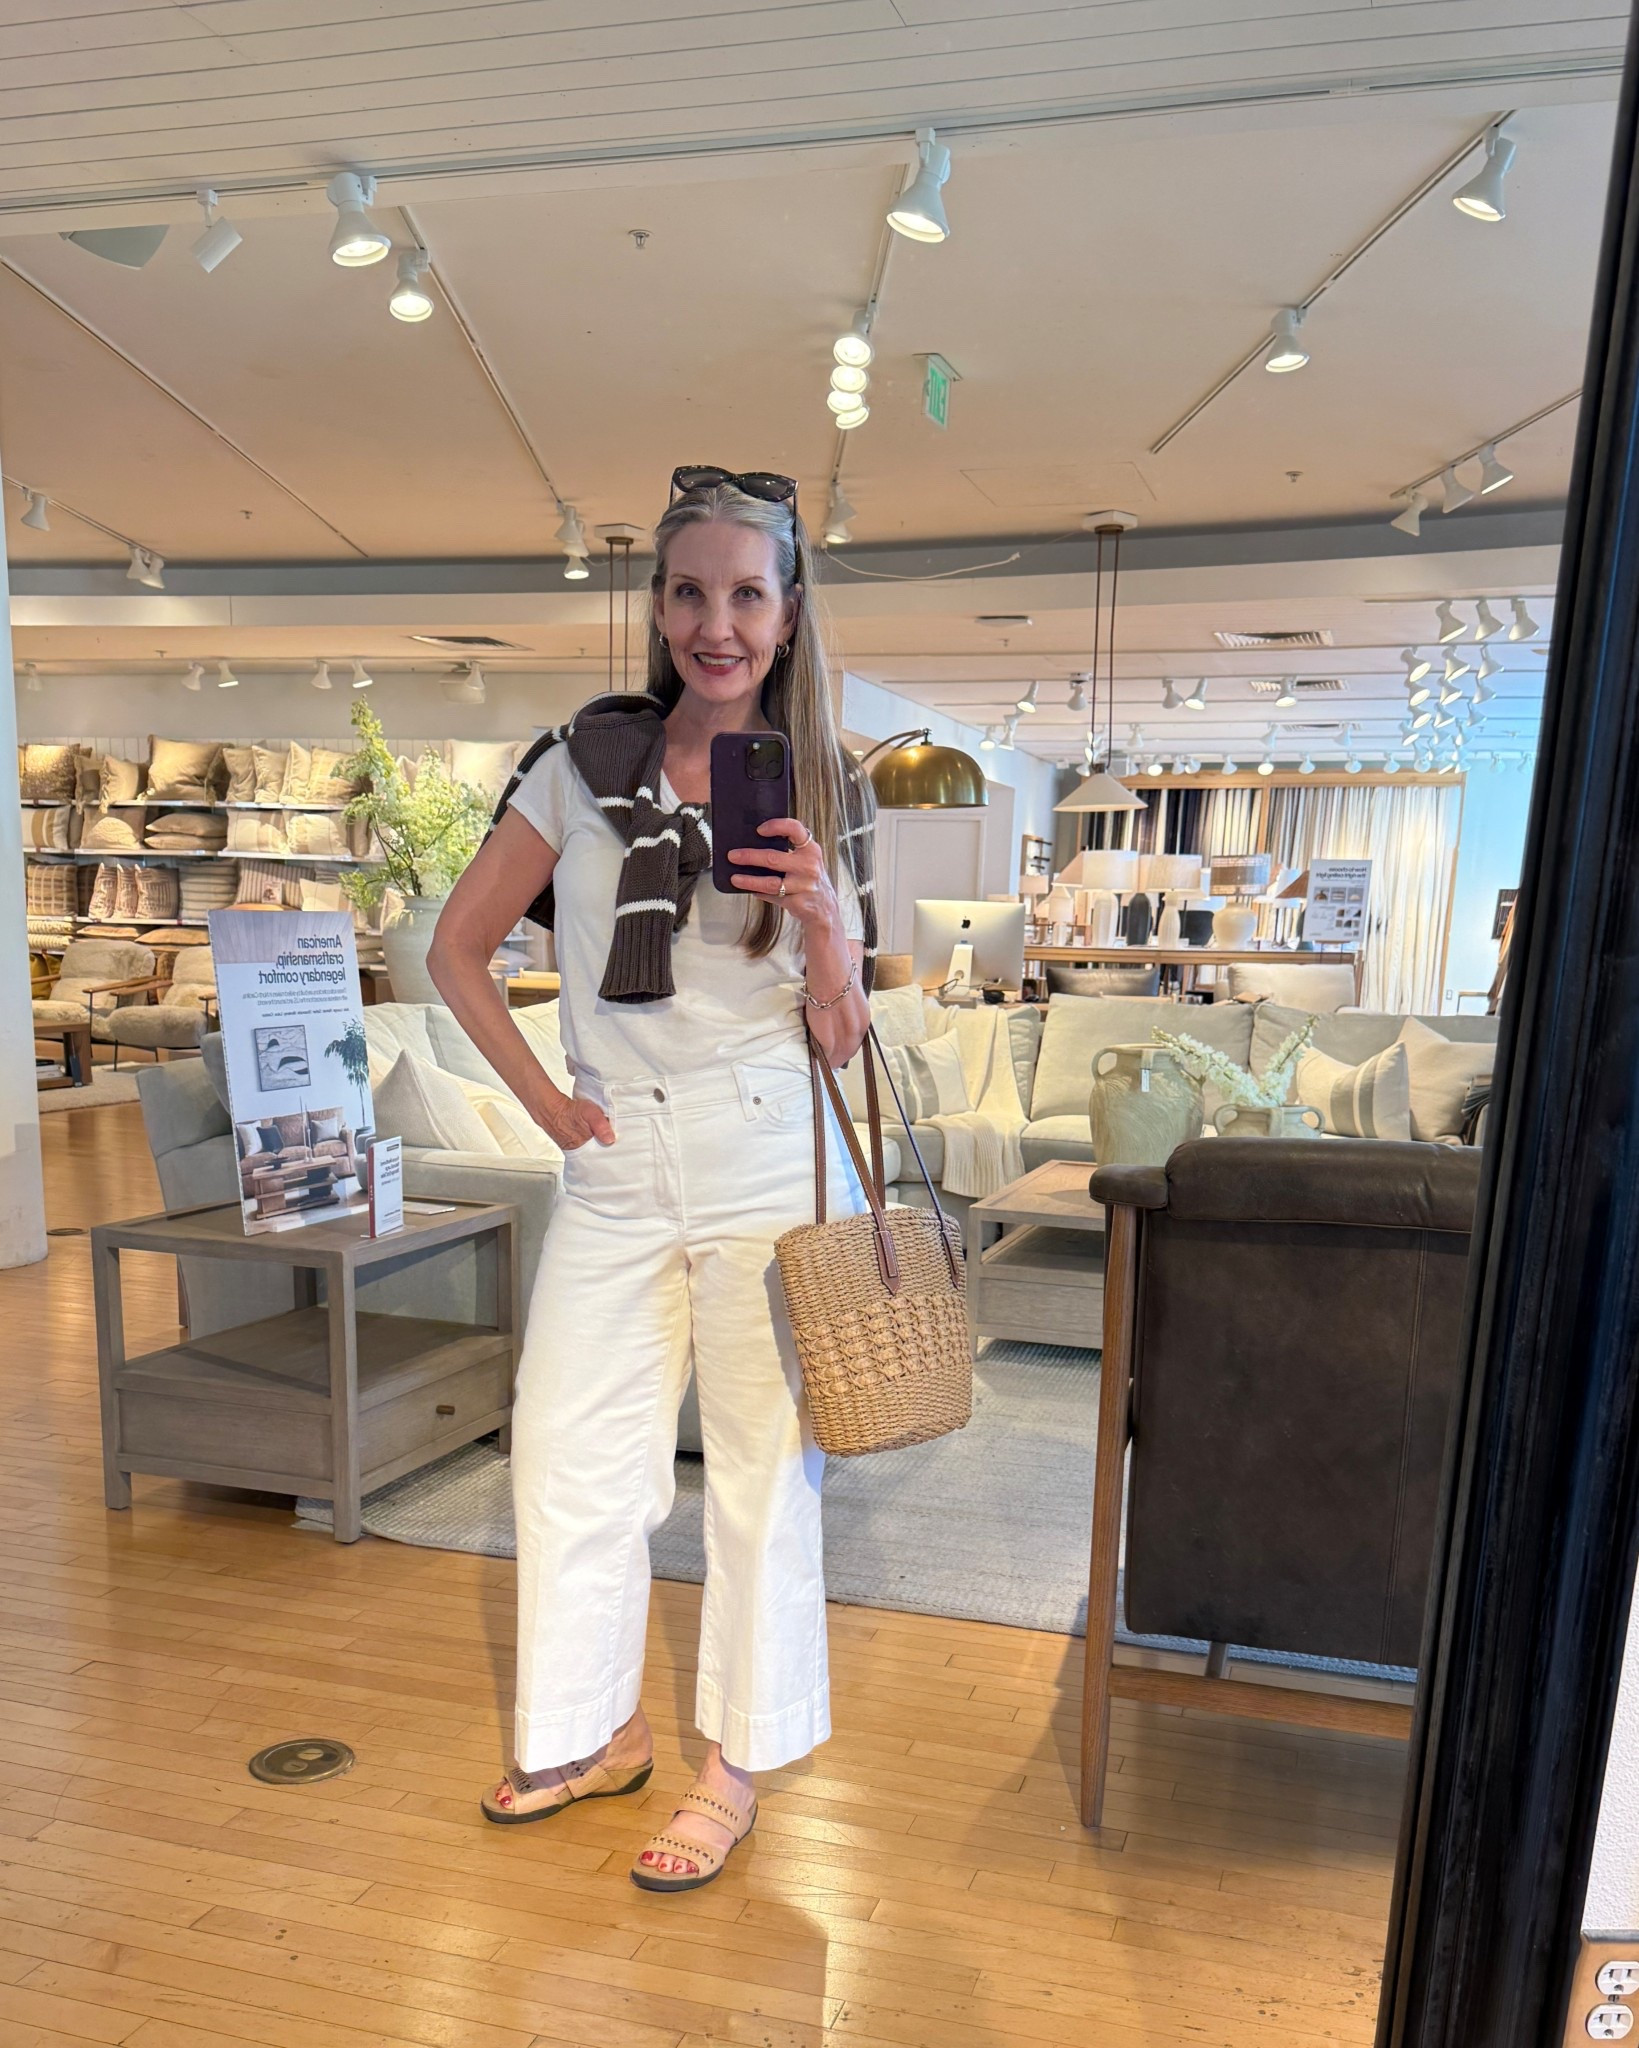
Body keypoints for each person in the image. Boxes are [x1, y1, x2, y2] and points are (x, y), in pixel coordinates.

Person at [427, 467, 878, 1893]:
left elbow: (845, 1039)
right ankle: (588, 1730)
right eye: (691, 591)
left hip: (763, 1151)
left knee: (759, 1475)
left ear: (790, 614)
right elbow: (454, 949)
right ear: (659, 605)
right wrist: (553, 1104)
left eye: (748, 593)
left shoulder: (825, 783)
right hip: (621, 1155)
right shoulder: (578, 764)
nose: (717, 623)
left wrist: (821, 921)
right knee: (565, 1444)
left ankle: (733, 1767)